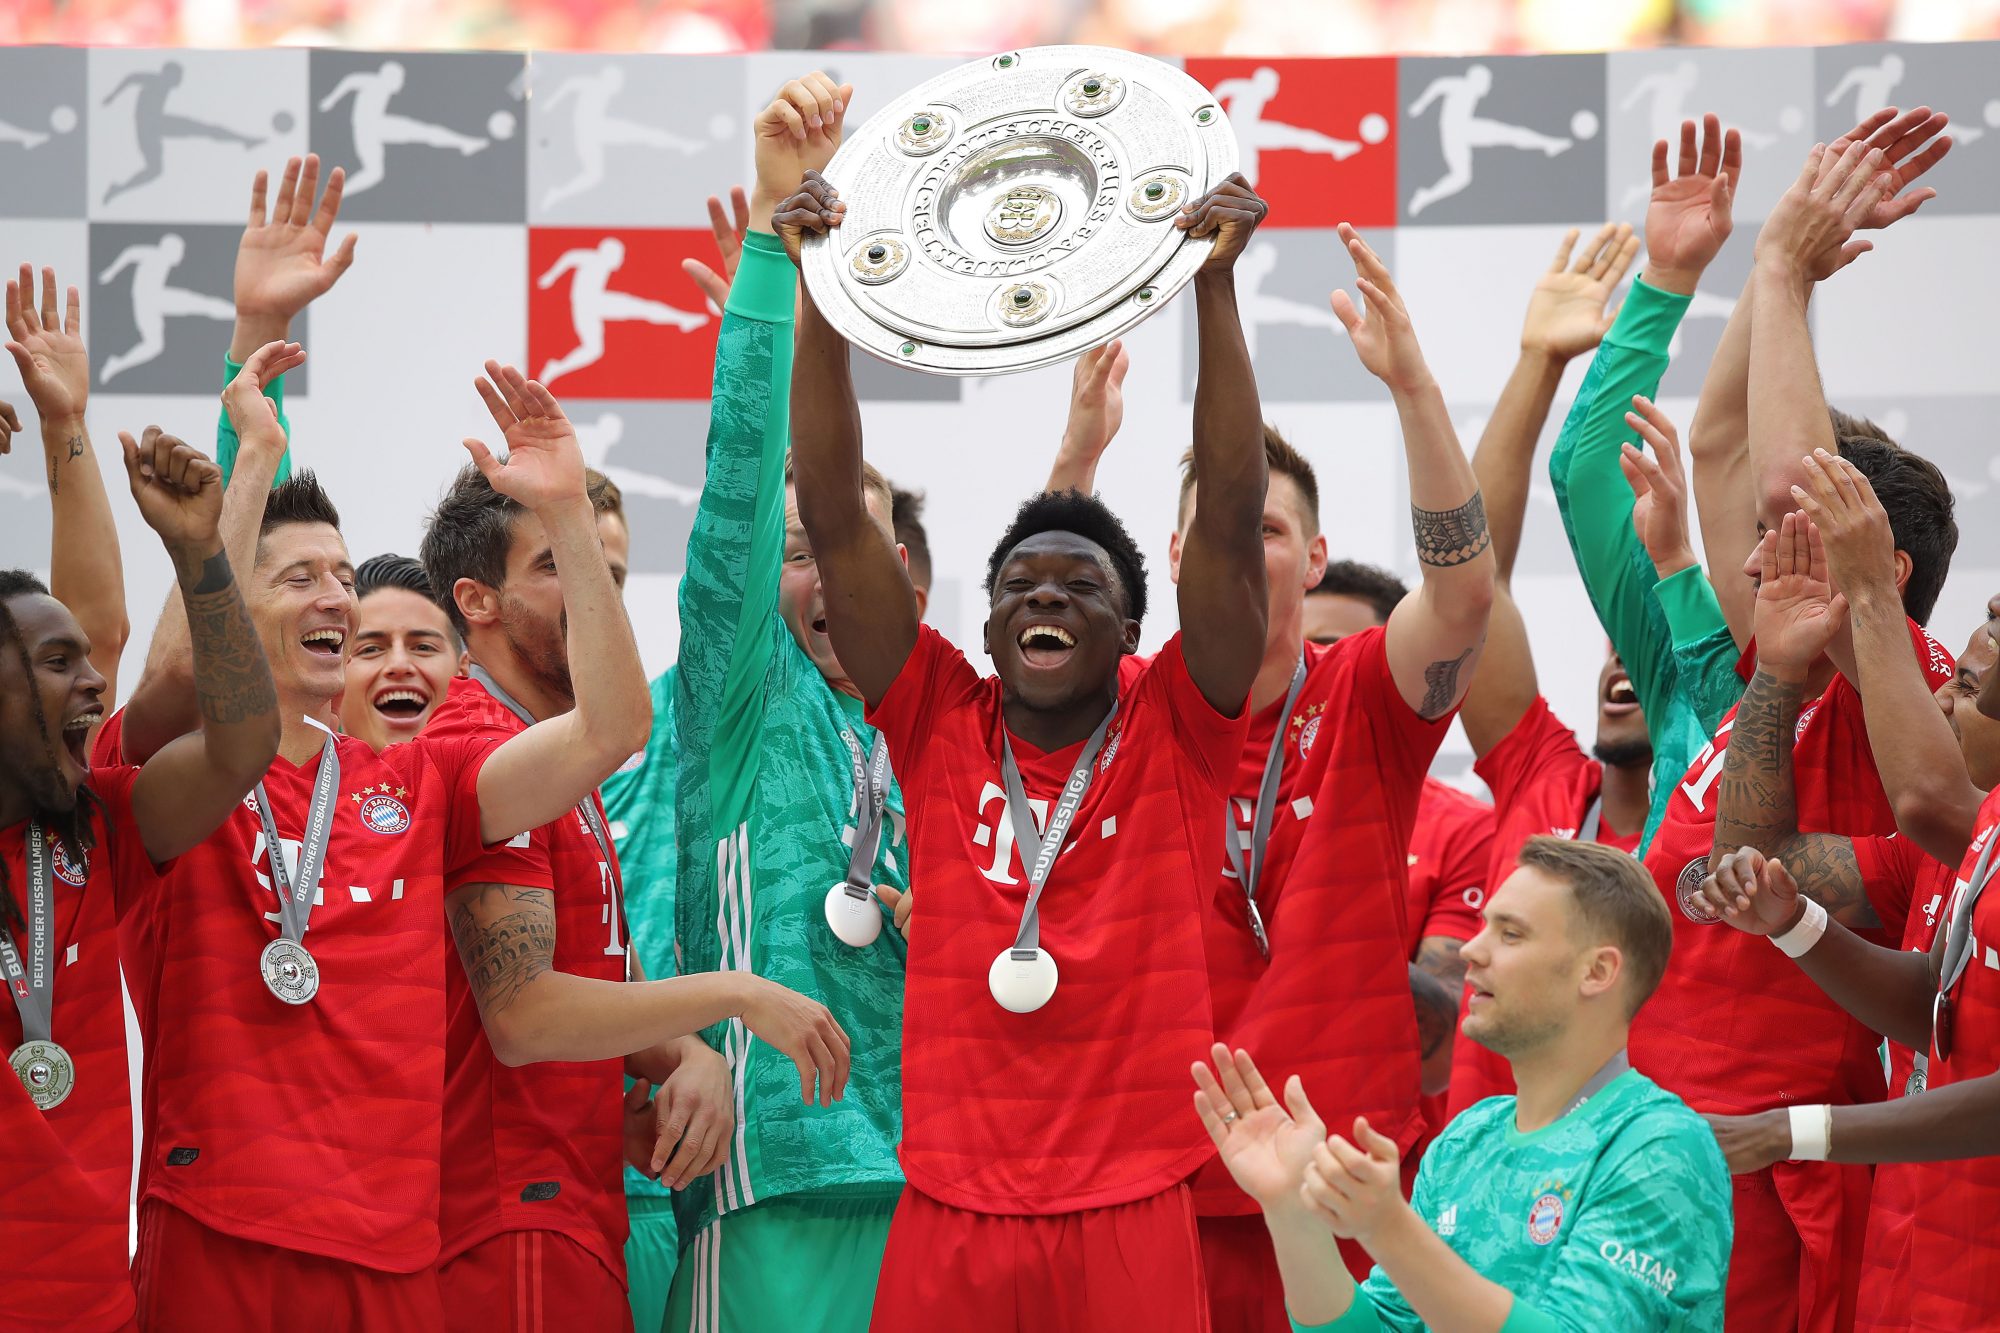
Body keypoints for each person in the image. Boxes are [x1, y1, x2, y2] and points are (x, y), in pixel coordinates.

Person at [97, 344, 805, 1329]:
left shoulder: (419, 779)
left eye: (342, 577)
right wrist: (229, 504)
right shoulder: (187, 775)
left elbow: (612, 730)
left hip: (394, 1242)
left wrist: (561, 511)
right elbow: (207, 704)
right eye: (299, 577)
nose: (337, 599)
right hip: (228, 1221)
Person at [788, 147, 1279, 1328]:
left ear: (1131, 630)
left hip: (1130, 1202)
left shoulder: (1179, 723)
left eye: (1078, 587)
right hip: (950, 1202)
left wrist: (1212, 292)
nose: (1043, 600)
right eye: (1018, 585)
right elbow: (832, 514)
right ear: (985, 618)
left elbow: (1223, 517)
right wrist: (821, 296)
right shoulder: (936, 709)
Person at [1045, 225, 1496, 1325]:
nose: (1244, 549)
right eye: (1216, 528)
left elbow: (1463, 599)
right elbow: (1032, 628)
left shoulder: (1360, 698)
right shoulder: (1126, 706)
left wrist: (1413, 390)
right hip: (1143, 1180)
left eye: (1270, 527)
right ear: (1173, 552)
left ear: (1314, 553)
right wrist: (1076, 458)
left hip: (1334, 1177)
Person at [417, 360, 844, 1331]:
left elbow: (586, 953)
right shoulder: (473, 743)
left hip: (564, 1213)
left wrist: (679, 1054)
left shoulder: (551, 766)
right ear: (476, 601)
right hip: (504, 1229)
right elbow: (522, 1016)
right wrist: (734, 995)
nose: (597, 594)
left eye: (612, 575)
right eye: (561, 568)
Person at [1629, 134, 1958, 1333]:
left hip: (1762, 1169)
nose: (1755, 555)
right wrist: (1765, 276)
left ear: (1869, 557)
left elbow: (1776, 480)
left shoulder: (1890, 680)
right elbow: (1723, 451)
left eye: (1797, 540)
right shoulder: (1789, 670)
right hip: (1671, 1142)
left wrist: (1779, 270)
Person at [660, 75, 922, 1333]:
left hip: (942, 1192)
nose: (823, 566)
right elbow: (740, 488)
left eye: (854, 545)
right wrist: (773, 256)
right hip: (771, 1184)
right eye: (802, 546)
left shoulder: (939, 732)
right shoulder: (738, 706)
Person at [1694, 459, 2000, 1333]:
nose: (1940, 697)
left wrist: (1796, 1132)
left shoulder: (1953, 819)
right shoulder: (1962, 847)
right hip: (1914, 1251)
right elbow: (1753, 861)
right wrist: (1795, 923)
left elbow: (1922, 797)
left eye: (1968, 689)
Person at [1195, 838, 1731, 1333]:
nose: (1471, 950)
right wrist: (1290, 1210)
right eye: (1482, 926)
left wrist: (1390, 1230)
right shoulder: (1466, 1139)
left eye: (1511, 933)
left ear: (1597, 972)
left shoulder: (1660, 1145)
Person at [2, 421, 282, 1333]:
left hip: (95, 1312)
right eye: (57, 662)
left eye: (88, 660)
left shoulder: (103, 829)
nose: (94, 683)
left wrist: (202, 555)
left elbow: (244, 744)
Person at [337, 553, 464, 751]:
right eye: (370, 649)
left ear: (463, 670)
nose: (399, 665)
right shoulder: (276, 778)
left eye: (423, 647)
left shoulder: (517, 778)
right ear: (331, 673)